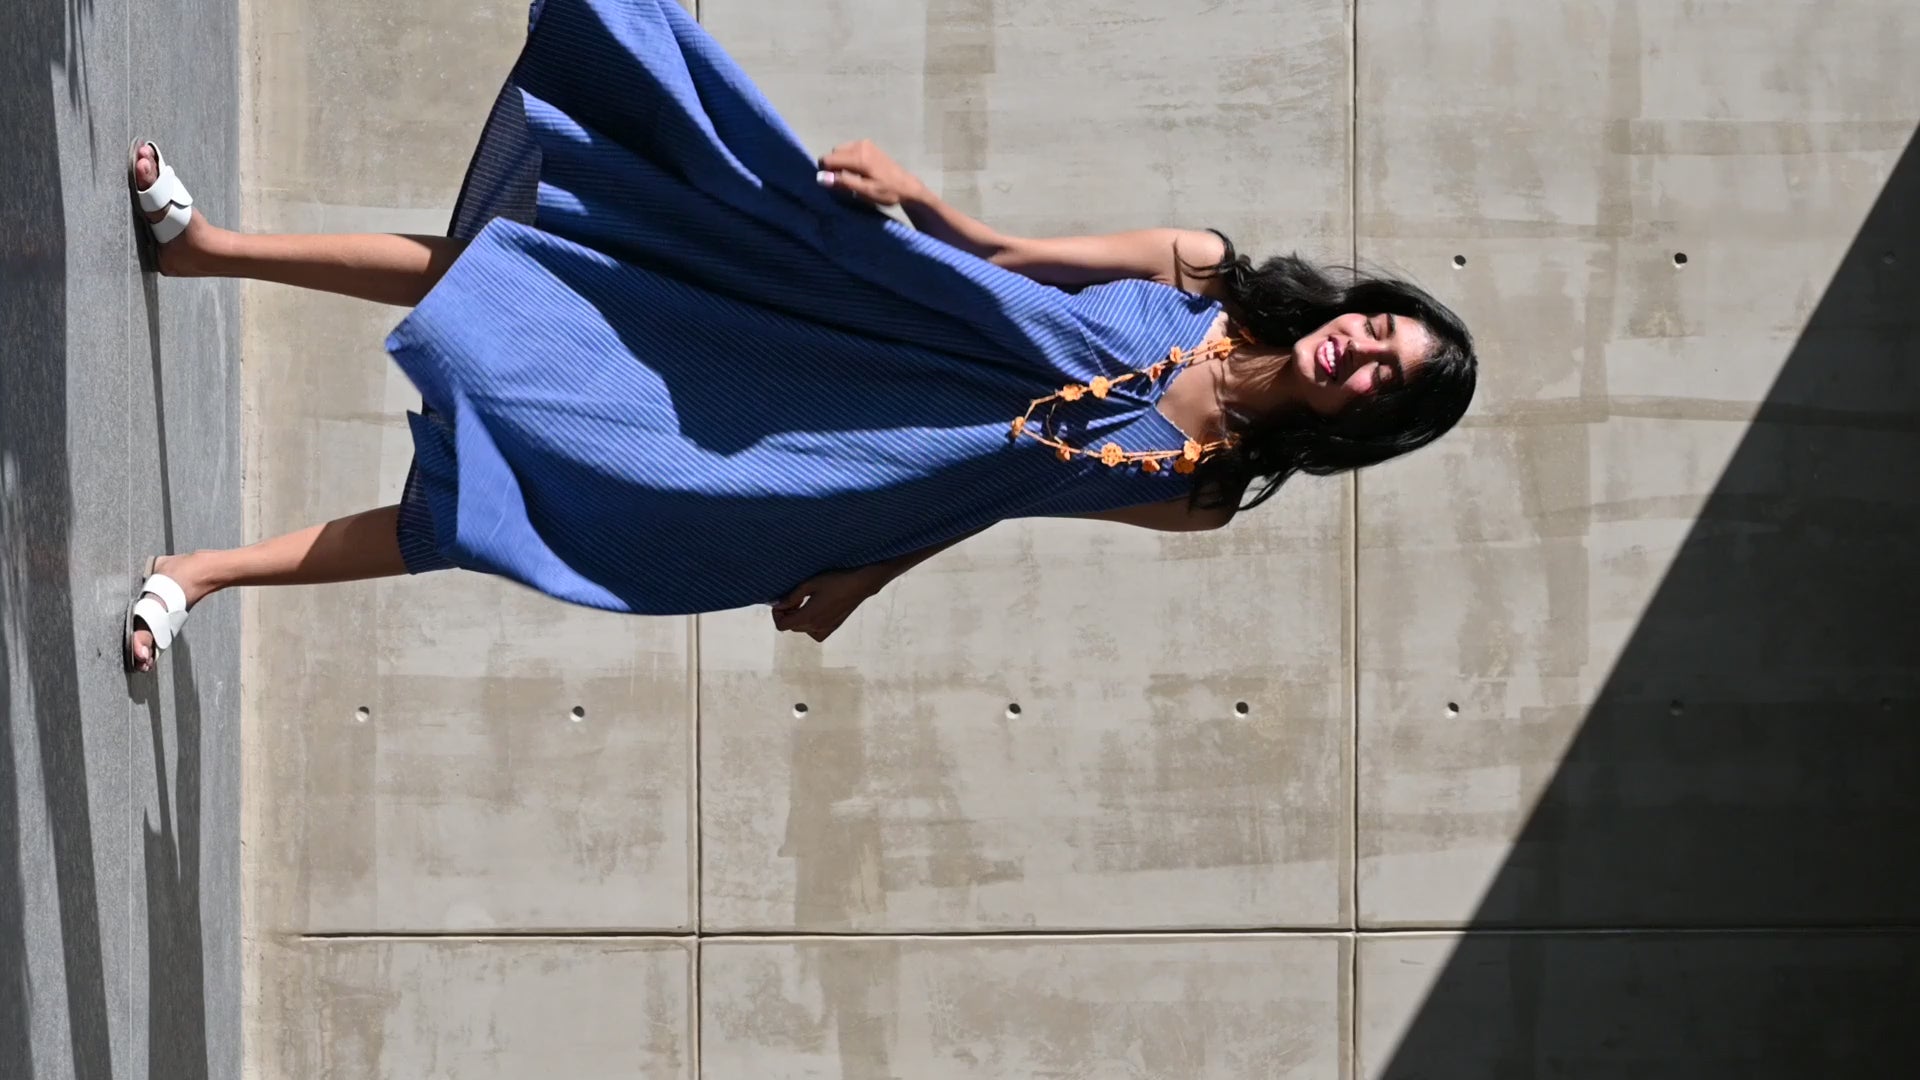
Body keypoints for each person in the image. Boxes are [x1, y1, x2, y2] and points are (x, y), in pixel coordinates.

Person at [122, 0, 1475, 672]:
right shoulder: (1201, 273)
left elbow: (1008, 496)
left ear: (1367, 422)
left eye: (1383, 375)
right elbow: (1004, 257)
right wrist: (913, 198)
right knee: (518, 270)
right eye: (1380, 327)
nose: (1361, 347)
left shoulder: (1206, 496)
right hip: (854, 321)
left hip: (849, 462)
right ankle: (207, 249)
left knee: (522, 510)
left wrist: (864, 576)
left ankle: (208, 574)